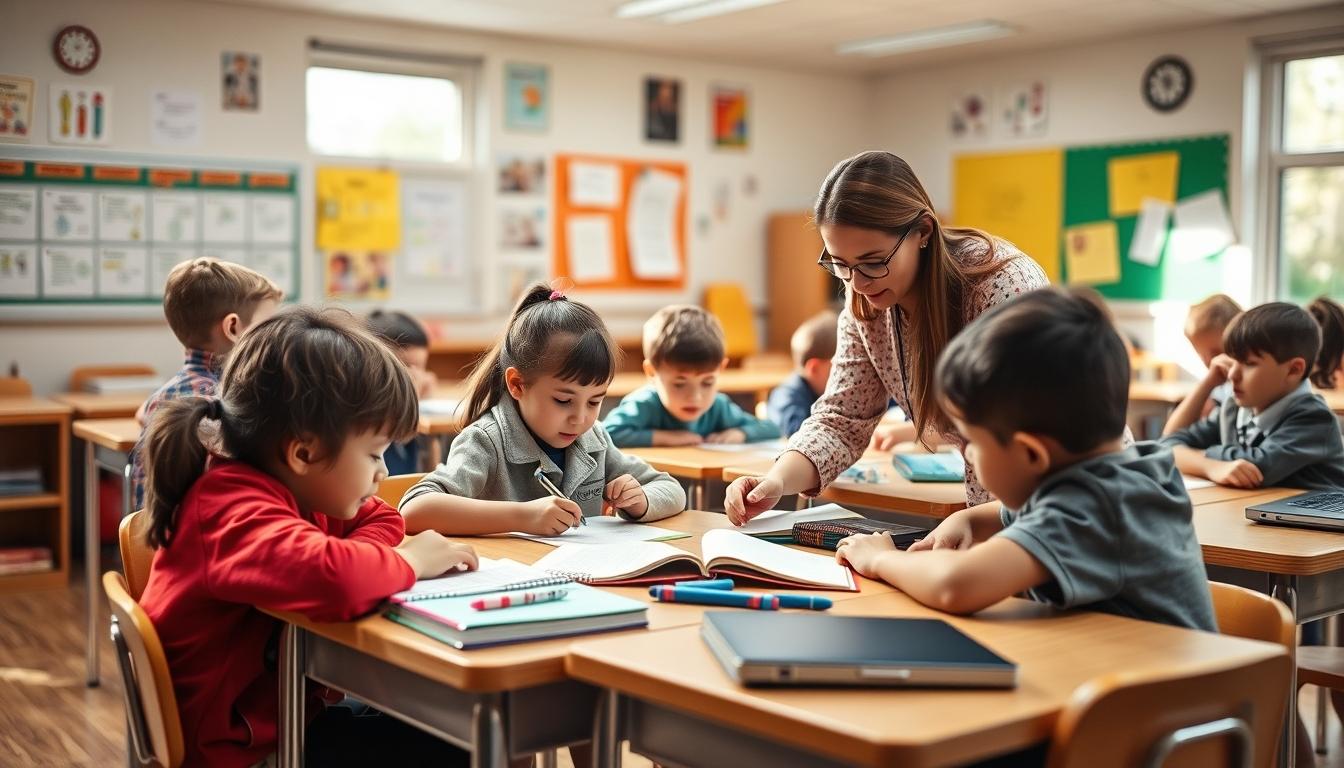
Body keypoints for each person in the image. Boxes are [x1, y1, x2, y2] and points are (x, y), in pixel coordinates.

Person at [138, 306, 477, 767]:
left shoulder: (295, 489)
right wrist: (410, 562)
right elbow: (335, 579)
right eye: (374, 454)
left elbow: (383, 521)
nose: (381, 473)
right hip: (240, 751)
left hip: (281, 714)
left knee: (443, 718)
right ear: (303, 451)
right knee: (457, 741)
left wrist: (352, 556)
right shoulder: (231, 509)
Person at [835, 288, 1216, 632]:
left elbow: (956, 587)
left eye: (973, 442)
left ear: (1031, 453)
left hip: (1165, 706)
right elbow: (1016, 515)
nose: (965, 453)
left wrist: (879, 560)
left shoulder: (1093, 510)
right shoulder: (1132, 473)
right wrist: (965, 517)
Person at [725, 150, 1047, 524]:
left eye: (873, 261)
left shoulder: (1001, 287)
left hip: (1060, 507)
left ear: (922, 232)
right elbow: (841, 420)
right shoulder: (865, 302)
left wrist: (976, 524)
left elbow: (1034, 440)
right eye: (840, 265)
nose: (858, 284)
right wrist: (776, 480)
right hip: (997, 515)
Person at [400, 284, 686, 536]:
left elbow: (671, 490)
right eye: (563, 401)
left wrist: (641, 502)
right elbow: (415, 509)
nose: (580, 418)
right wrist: (523, 517)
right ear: (517, 385)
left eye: (595, 401)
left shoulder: (594, 440)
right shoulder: (486, 441)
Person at [130, 257, 282, 507]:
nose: (274, 339)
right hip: (204, 539)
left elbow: (142, 414)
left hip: (153, 538)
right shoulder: (222, 403)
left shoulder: (166, 394)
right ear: (233, 328)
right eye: (266, 328)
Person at [1161, 302, 1344, 490]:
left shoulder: (1314, 419)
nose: (1232, 374)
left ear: (1293, 370)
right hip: (1257, 513)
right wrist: (1211, 467)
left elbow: (1256, 468)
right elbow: (1167, 445)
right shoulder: (1235, 409)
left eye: (1249, 363)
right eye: (1233, 361)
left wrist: (1195, 457)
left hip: (1318, 519)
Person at [603, 304, 780, 447]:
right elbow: (606, 433)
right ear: (652, 372)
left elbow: (771, 428)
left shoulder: (718, 406)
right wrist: (664, 438)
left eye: (707, 382)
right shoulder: (645, 404)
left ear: (721, 369)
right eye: (679, 384)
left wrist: (740, 433)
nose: (695, 397)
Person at [367, 309, 441, 474]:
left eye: (421, 367)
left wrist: (425, 406)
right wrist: (408, 401)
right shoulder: (371, 420)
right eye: (406, 367)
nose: (416, 377)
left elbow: (430, 473)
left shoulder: (421, 414)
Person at [766, 310, 836, 437]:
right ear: (814, 368)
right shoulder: (787, 396)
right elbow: (796, 434)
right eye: (840, 367)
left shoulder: (823, 391)